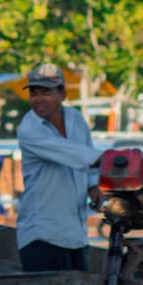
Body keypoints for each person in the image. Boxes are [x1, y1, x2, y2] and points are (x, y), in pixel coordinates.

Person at [14, 61, 104, 272]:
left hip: (76, 235)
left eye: (45, 92)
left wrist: (93, 187)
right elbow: (77, 155)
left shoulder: (76, 119)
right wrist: (113, 158)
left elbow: (88, 160)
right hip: (42, 235)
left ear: (62, 93)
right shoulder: (29, 130)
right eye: (33, 93)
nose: (37, 99)